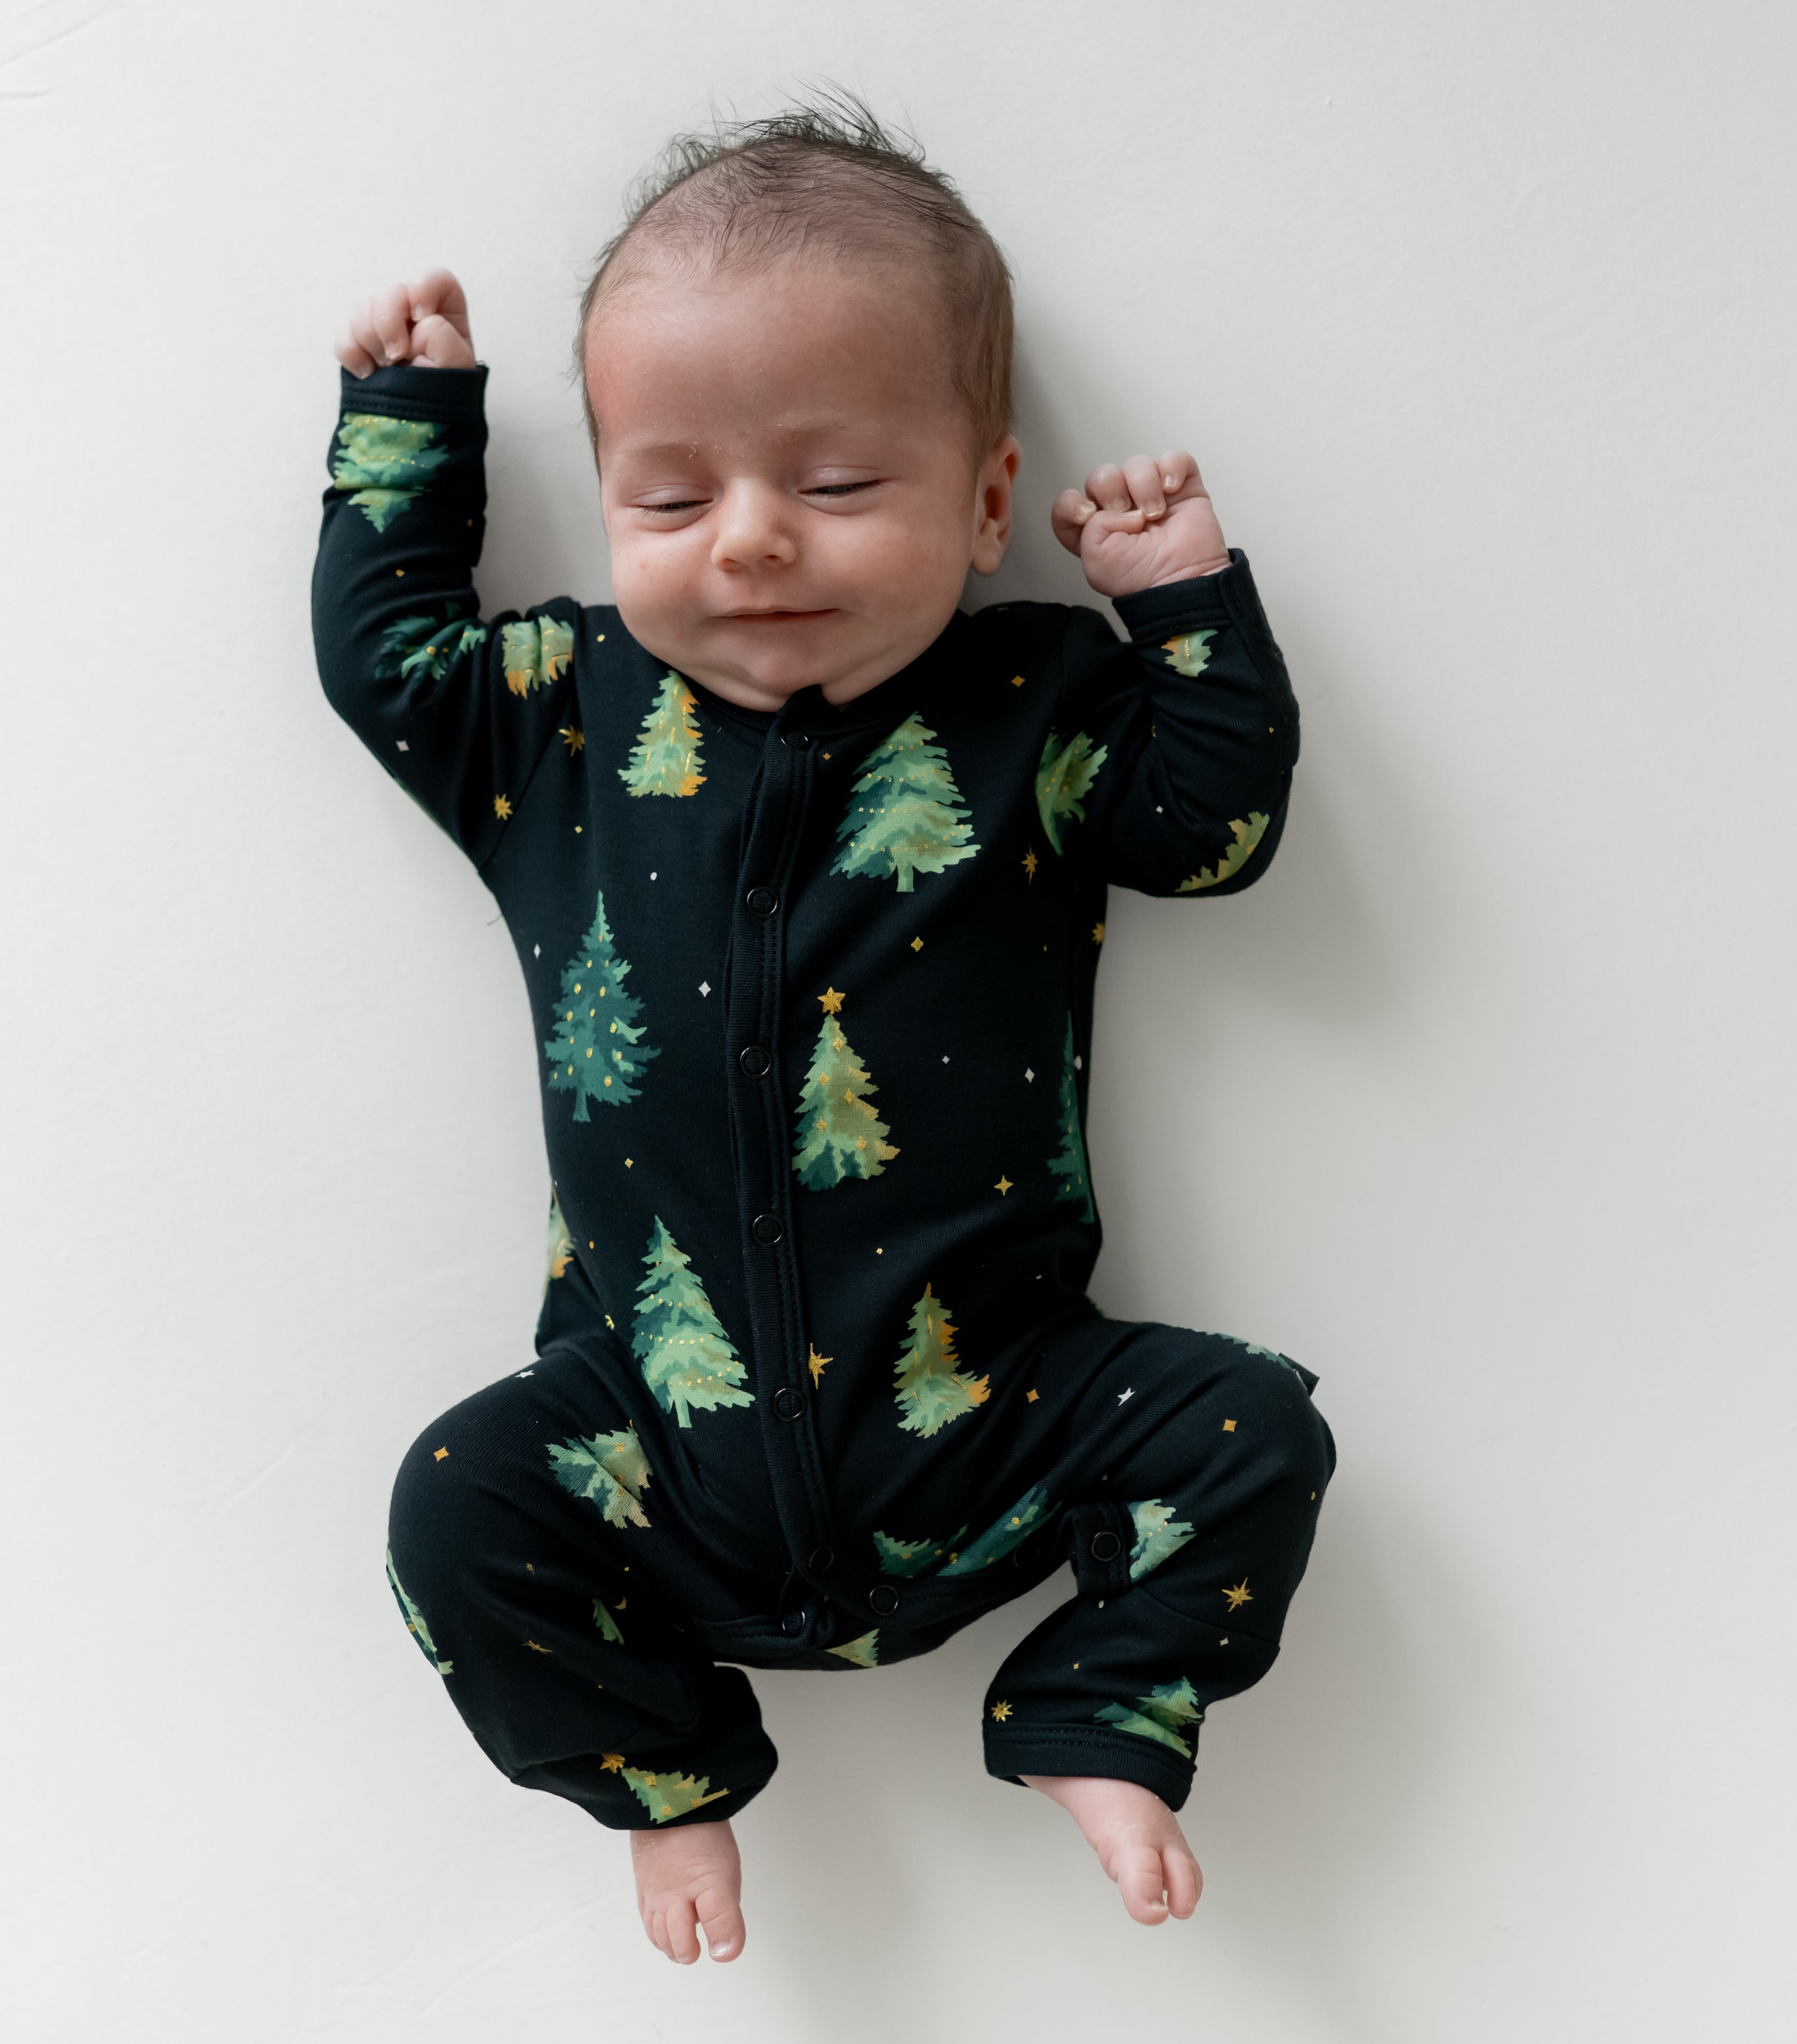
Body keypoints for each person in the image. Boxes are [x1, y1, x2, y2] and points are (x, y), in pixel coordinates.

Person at [314, 99, 1332, 1966]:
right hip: (659, 1428)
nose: (756, 544)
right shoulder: (555, 719)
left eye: (841, 488)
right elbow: (387, 662)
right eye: (673, 498)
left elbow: (1219, 832)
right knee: (450, 1510)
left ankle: (1099, 1710)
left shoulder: (1033, 699)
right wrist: (411, 438)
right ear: (611, 494)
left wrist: (1182, 602)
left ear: (986, 495)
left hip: (992, 1407)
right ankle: (662, 1770)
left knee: (1254, 1431)